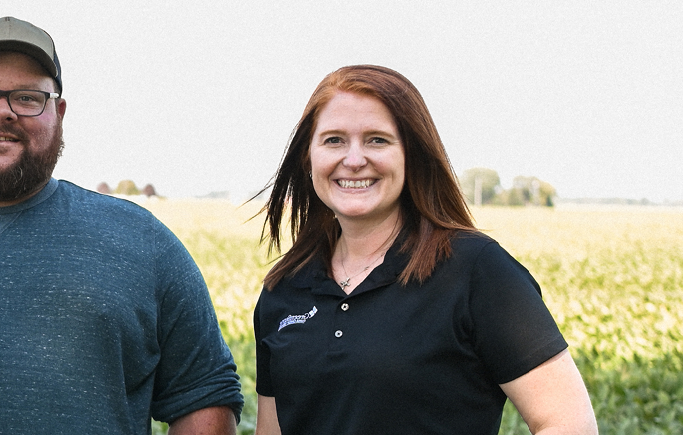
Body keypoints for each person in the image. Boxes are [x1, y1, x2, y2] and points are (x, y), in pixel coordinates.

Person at [0, 17, 243, 434]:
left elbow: (204, 391)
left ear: (58, 113)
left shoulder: (141, 241)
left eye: (27, 98)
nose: (1, 112)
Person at [251, 65, 598, 434]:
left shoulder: (475, 271)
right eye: (334, 140)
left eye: (377, 140)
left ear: (412, 155)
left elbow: (568, 423)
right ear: (308, 156)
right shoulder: (283, 290)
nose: (353, 160)